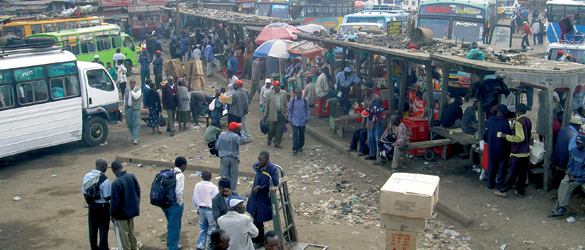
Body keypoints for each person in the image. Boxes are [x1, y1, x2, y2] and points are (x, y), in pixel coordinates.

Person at [494, 104, 532, 198]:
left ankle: (503, 190)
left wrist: (506, 136)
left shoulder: (518, 122)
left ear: (517, 111)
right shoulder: (528, 121)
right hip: (526, 152)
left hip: (518, 152)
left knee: (511, 172)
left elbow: (520, 138)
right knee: (522, 174)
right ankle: (520, 191)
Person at [246, 151, 279, 249]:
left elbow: (275, 182)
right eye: (258, 160)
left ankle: (260, 240)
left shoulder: (272, 169)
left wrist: (261, 187)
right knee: (255, 216)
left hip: (263, 198)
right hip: (255, 198)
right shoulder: (258, 165)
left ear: (267, 160)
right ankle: (257, 238)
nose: (259, 162)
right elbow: (254, 166)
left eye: (261, 160)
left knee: (258, 220)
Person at [548, 135, 585, 217]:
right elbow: (570, 164)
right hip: (572, 174)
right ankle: (561, 208)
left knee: (567, 189)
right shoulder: (574, 150)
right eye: (577, 143)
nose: (579, 144)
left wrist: (575, 175)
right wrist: (570, 173)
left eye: (580, 143)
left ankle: (559, 208)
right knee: (563, 184)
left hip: (580, 177)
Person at [109, 161, 141, 250]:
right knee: (131, 231)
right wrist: (136, 203)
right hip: (131, 210)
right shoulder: (131, 176)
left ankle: (127, 248)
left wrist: (113, 214)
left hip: (121, 213)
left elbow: (115, 201)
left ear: (113, 170)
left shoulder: (116, 183)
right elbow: (138, 190)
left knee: (124, 234)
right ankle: (134, 247)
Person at [82, 158, 111, 250]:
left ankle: (93, 247)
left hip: (91, 205)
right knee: (103, 228)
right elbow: (106, 197)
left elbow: (84, 191)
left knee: (92, 227)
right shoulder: (105, 180)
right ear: (103, 167)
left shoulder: (86, 176)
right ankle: (103, 247)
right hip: (102, 206)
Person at [161, 156, 187, 250]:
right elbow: (178, 192)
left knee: (170, 223)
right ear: (183, 165)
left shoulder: (170, 173)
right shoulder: (180, 175)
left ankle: (169, 241)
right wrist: (180, 203)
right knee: (175, 226)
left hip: (164, 203)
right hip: (174, 205)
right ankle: (173, 246)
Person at [484, 105, 512, 190]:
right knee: (502, 168)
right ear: (505, 113)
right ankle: (500, 185)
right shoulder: (505, 122)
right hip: (502, 149)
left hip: (492, 147)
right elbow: (508, 136)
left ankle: (490, 184)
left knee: (492, 167)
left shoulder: (491, 120)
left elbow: (486, 134)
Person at [192, 170, 219, 250]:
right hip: (210, 211)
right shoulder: (213, 187)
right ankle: (210, 246)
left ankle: (200, 245)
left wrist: (196, 208)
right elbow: (215, 200)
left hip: (201, 209)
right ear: (210, 177)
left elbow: (194, 198)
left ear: (202, 177)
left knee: (202, 228)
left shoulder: (198, 185)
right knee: (211, 229)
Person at [217, 122, 247, 191]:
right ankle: (232, 192)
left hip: (224, 158)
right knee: (233, 177)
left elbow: (217, 146)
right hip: (233, 158)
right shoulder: (235, 136)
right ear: (236, 129)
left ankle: (224, 191)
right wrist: (242, 130)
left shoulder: (222, 135)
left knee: (224, 177)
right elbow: (244, 141)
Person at [362, 82, 384, 161]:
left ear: (370, 90)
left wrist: (371, 105)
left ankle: (380, 156)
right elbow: (365, 111)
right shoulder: (366, 98)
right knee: (370, 139)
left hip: (377, 122)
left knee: (378, 139)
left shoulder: (377, 98)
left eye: (366, 90)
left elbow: (378, 110)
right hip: (369, 121)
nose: (364, 91)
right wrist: (363, 121)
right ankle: (372, 154)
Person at [264, 80, 288, 149]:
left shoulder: (283, 93)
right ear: (273, 87)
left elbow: (285, 103)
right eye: (277, 86)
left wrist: (286, 112)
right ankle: (269, 138)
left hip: (281, 113)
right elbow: (267, 105)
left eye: (279, 86)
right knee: (271, 129)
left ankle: (277, 143)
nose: (278, 87)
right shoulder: (269, 94)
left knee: (280, 130)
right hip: (272, 114)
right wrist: (265, 115)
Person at [288, 88, 310, 154]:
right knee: (295, 134)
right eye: (297, 93)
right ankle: (295, 148)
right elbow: (290, 110)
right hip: (295, 120)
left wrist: (307, 118)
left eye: (299, 93)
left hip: (302, 120)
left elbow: (307, 110)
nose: (298, 95)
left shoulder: (305, 100)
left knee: (301, 134)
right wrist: (290, 119)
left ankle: (300, 146)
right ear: (295, 93)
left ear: (301, 93)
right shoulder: (293, 100)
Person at [124, 79, 142, 145]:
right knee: (129, 123)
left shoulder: (138, 89)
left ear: (135, 83)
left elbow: (136, 97)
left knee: (136, 124)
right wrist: (124, 107)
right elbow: (125, 99)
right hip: (128, 108)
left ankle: (135, 138)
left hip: (136, 109)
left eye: (133, 83)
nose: (132, 84)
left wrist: (131, 91)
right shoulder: (126, 90)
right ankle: (134, 134)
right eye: (131, 83)